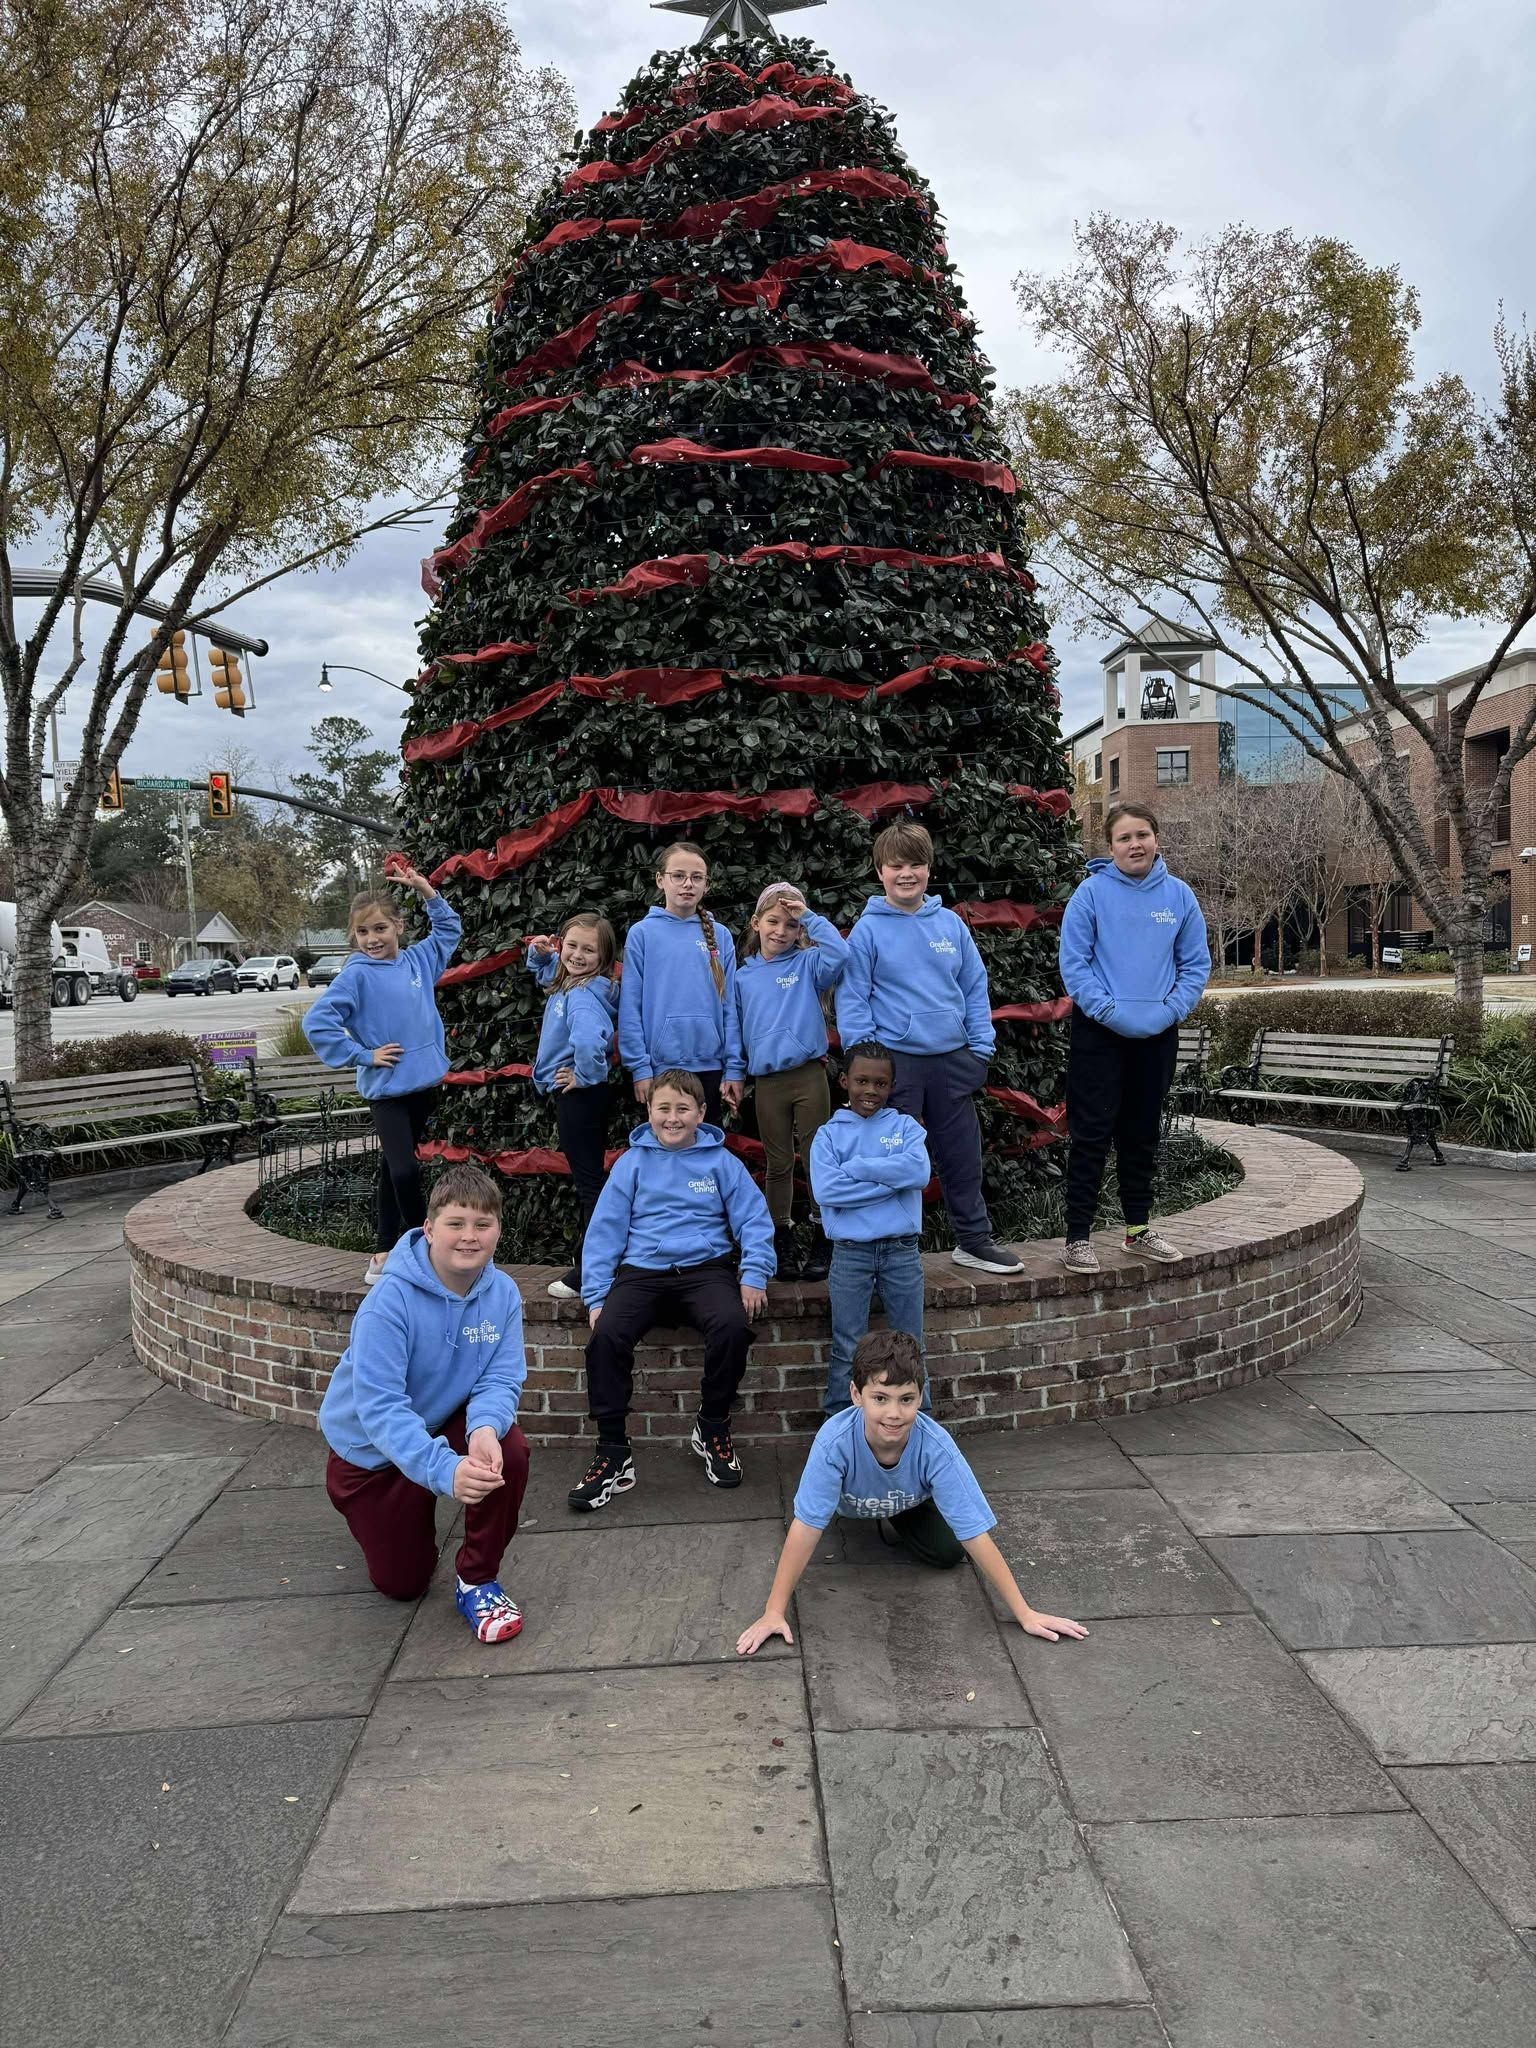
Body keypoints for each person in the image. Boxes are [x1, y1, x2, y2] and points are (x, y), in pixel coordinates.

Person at [736, 1330, 1087, 1653]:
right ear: (857, 1396)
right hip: (848, 1503)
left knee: (949, 1552)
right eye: (880, 1398)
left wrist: (1024, 1612)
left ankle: (894, 1513)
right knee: (809, 1520)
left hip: (906, 1501)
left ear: (921, 1396)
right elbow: (806, 1527)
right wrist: (773, 1611)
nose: (894, 1413)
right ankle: (850, 1505)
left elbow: (974, 1532)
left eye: (906, 1399)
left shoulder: (936, 1446)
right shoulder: (833, 1443)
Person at [319, 1163, 529, 1644]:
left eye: (483, 1224)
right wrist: (444, 1471)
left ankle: (477, 1580)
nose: (469, 1237)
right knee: (403, 1584)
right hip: (372, 1452)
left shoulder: (503, 1293)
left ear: (498, 1229)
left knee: (508, 1449)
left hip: (442, 1424)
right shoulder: (387, 1302)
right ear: (430, 1228)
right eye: (456, 1223)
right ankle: (399, 1510)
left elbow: (501, 1376)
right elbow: (382, 1409)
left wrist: (482, 1430)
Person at [569, 1068, 776, 1511]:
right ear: (649, 1110)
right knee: (606, 1336)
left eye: (683, 1108)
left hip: (706, 1270)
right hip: (641, 1272)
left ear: (701, 1113)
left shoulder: (722, 1163)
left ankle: (713, 1425)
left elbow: (755, 1221)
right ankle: (612, 1452)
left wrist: (754, 1274)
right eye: (664, 1107)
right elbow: (604, 1232)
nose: (673, 1117)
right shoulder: (631, 1163)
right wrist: (597, 1296)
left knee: (732, 1325)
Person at [836, 820, 1023, 1275]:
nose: (906, 874)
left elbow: (974, 986)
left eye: (915, 864)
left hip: (952, 1060)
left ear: (928, 868)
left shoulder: (950, 925)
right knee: (889, 1158)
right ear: (879, 870)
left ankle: (973, 1241)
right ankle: (883, 1249)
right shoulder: (868, 930)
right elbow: (853, 995)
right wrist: (867, 1057)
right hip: (895, 1065)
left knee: (962, 1155)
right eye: (896, 865)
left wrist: (980, 1048)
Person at [1057, 801, 1211, 1275]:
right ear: (1110, 846)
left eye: (1142, 834)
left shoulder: (1180, 897)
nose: (1134, 844)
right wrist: (1107, 1012)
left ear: (1157, 839)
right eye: (1124, 838)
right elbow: (1075, 965)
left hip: (1157, 1036)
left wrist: (1170, 1011)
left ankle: (1138, 1232)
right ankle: (1078, 1239)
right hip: (1098, 1036)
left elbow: (1195, 965)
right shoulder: (1090, 895)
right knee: (1091, 1136)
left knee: (1141, 1135)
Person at [303, 858, 462, 1286]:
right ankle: (421, 1249)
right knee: (406, 1171)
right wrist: (364, 1055)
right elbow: (316, 1023)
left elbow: (449, 930)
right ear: (354, 936)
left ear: (399, 927)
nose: (372, 939)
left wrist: (426, 889)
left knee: (393, 1170)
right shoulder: (355, 975)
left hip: (423, 1085)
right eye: (363, 931)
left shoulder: (418, 962)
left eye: (380, 929)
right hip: (387, 1090)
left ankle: (382, 1251)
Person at [735, 880, 848, 1281]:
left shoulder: (807, 965)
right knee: (778, 1162)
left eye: (790, 924)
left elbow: (840, 952)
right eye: (773, 921)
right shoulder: (742, 977)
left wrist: (810, 917)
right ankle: (779, 1235)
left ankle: (824, 1234)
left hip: (808, 1076)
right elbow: (734, 1029)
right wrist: (735, 1073)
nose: (781, 931)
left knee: (817, 1156)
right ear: (756, 923)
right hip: (767, 1081)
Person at [809, 1040, 929, 1415]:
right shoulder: (828, 1135)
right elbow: (828, 1190)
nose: (870, 1091)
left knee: (912, 1343)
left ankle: (921, 1426)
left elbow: (919, 1172)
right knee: (848, 1345)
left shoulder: (906, 1127)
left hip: (901, 1251)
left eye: (880, 1084)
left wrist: (859, 1167)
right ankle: (838, 1425)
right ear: (845, 1081)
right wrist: (891, 1180)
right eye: (862, 1081)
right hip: (850, 1252)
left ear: (890, 1086)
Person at [527, 913, 620, 1304]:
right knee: (591, 1181)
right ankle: (599, 1264)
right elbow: (548, 975)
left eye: (588, 950)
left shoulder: (581, 997)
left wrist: (585, 1075)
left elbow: (588, 1041)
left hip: (579, 1097)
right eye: (571, 946)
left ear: (604, 957)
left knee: (589, 1187)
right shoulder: (575, 983)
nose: (577, 955)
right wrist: (539, 955)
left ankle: (590, 1271)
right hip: (582, 1096)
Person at [618, 839, 743, 1127]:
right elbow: (630, 1008)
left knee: (706, 1150)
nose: (688, 884)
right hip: (659, 1069)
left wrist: (734, 1067)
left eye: (697, 877)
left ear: (706, 885)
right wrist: (639, 1068)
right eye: (678, 876)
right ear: (660, 880)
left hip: (711, 1068)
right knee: (663, 1150)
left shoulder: (721, 936)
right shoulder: (642, 934)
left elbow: (730, 1008)